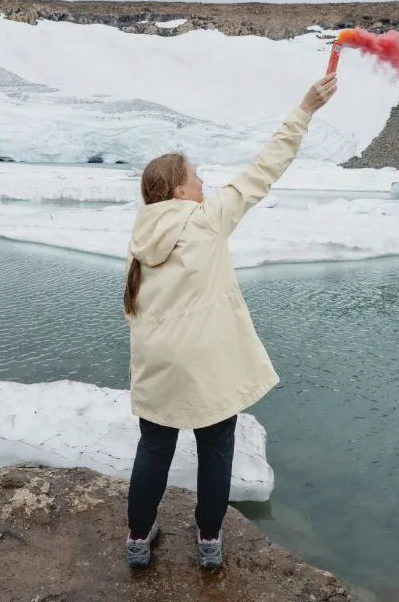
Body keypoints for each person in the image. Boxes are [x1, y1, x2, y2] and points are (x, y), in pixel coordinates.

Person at [121, 73, 338, 569]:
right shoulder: (207, 218)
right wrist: (305, 107)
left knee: (154, 447)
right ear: (179, 187)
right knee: (216, 448)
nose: (205, 184)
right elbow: (265, 168)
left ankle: (138, 539)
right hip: (207, 361)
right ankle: (209, 542)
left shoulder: (141, 234)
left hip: (158, 361)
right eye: (197, 177)